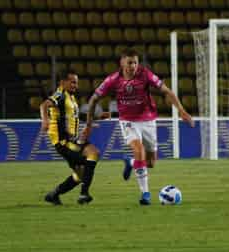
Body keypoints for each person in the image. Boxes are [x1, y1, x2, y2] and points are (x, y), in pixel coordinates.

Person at [82, 49, 194, 205]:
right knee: (138, 149)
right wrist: (89, 124)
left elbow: (167, 91)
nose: (133, 66)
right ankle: (145, 194)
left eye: (135, 62)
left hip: (148, 121)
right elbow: (94, 99)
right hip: (128, 122)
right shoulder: (113, 80)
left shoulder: (146, 75)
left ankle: (131, 162)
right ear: (122, 63)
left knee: (151, 163)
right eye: (129, 62)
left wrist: (182, 110)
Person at [40, 68, 100, 205]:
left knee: (79, 175)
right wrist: (45, 120)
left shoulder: (70, 97)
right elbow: (44, 105)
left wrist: (98, 117)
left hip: (72, 140)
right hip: (63, 142)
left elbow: (75, 117)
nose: (75, 86)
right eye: (73, 82)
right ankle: (84, 194)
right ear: (63, 82)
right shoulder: (60, 95)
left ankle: (53, 195)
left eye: (76, 83)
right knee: (93, 154)